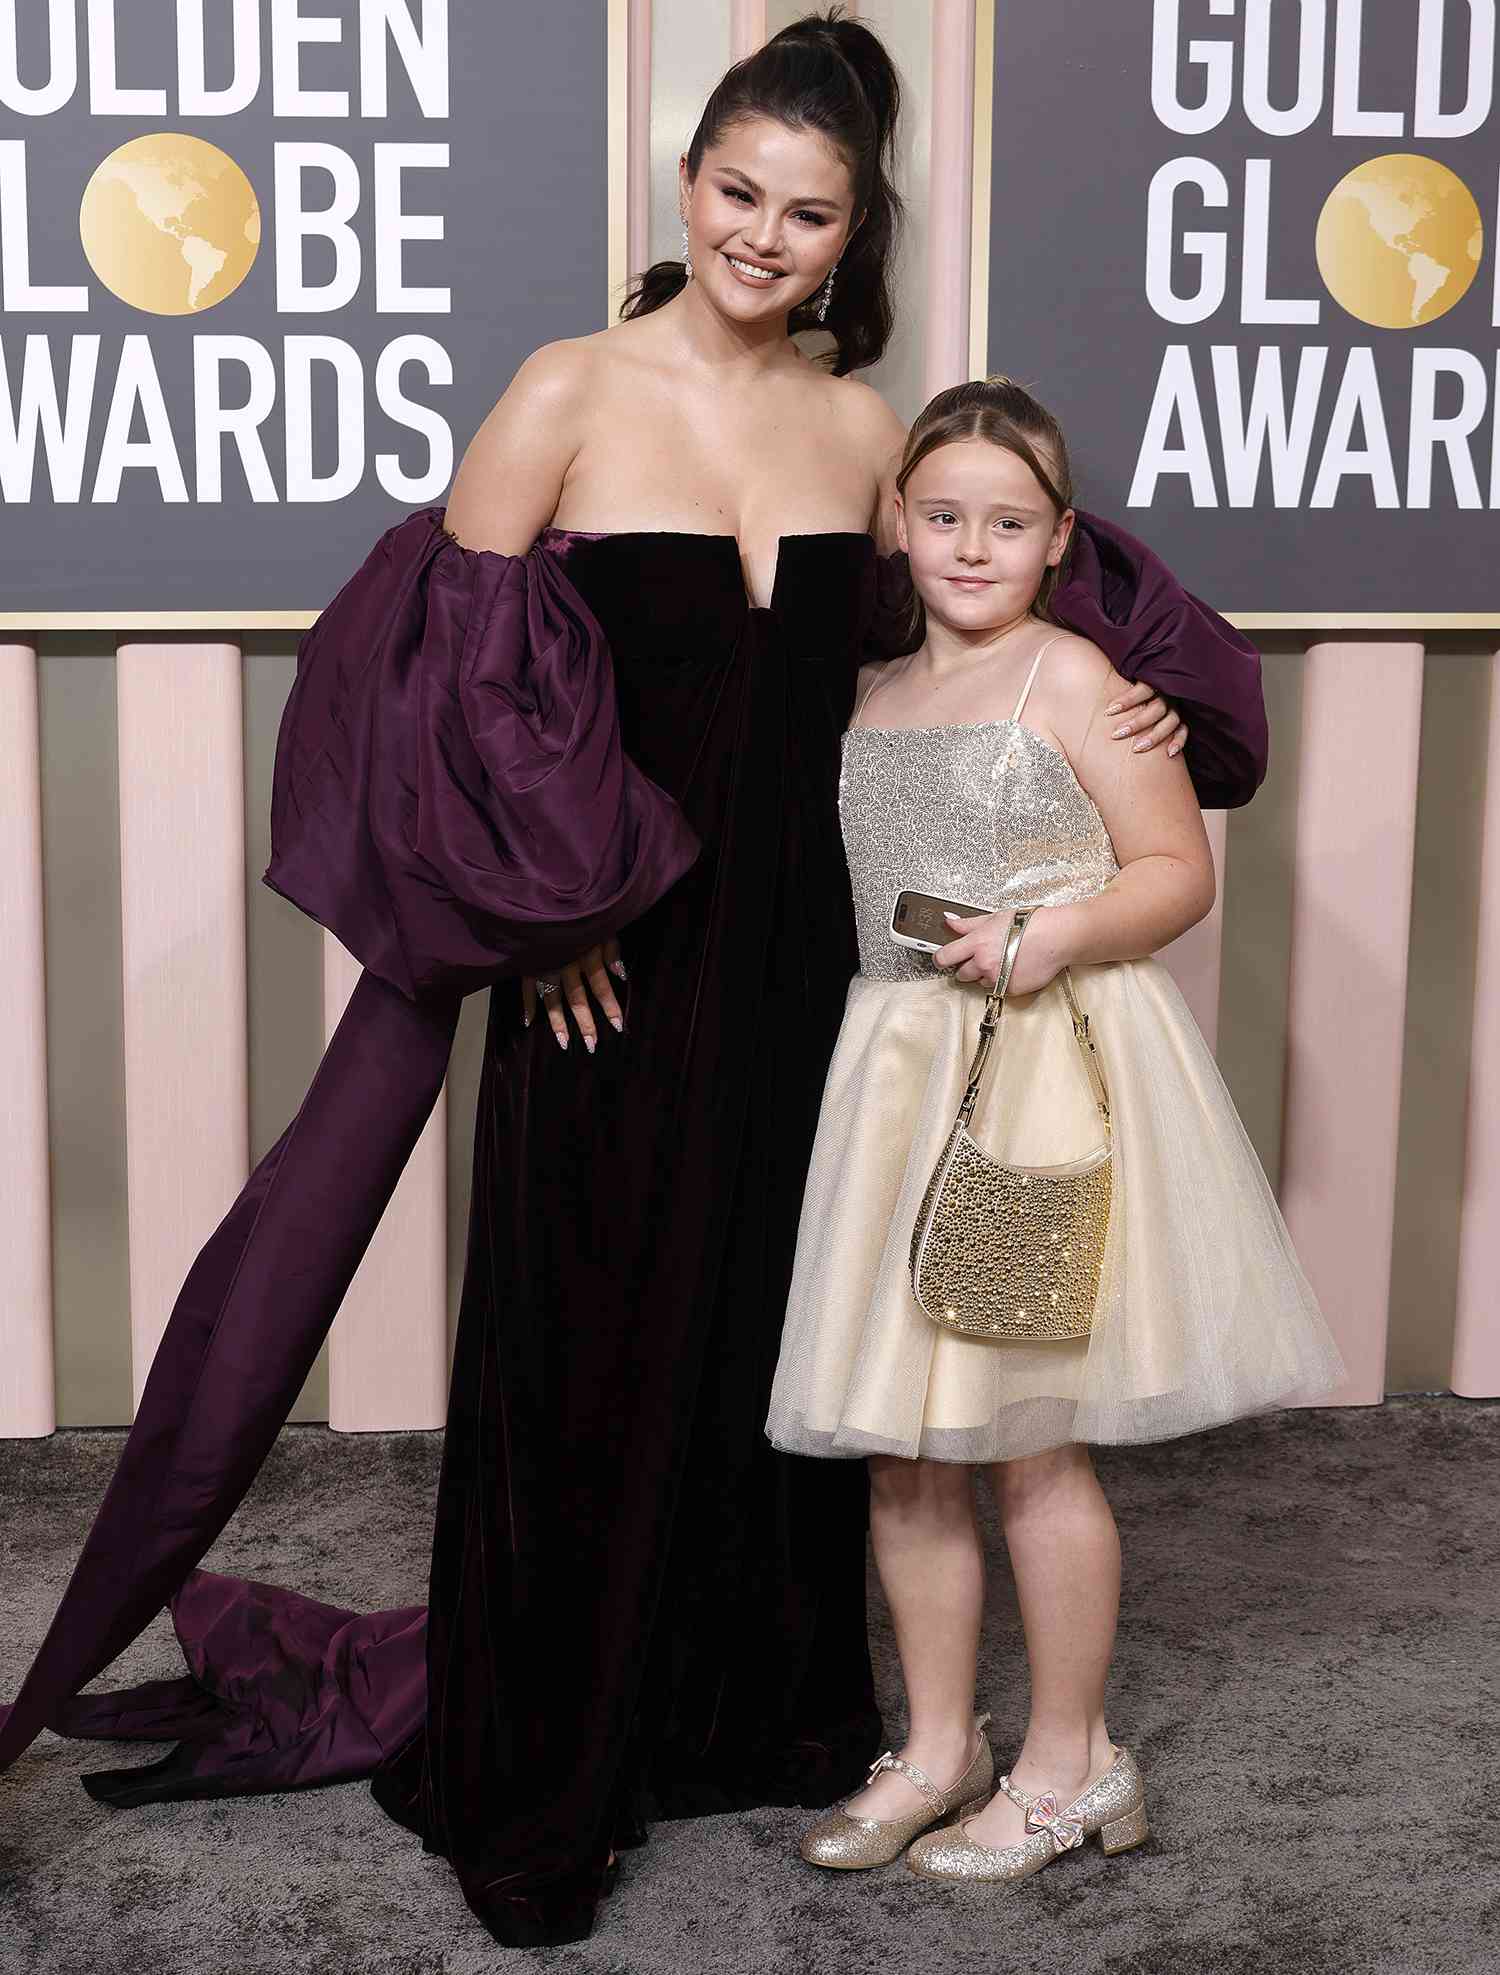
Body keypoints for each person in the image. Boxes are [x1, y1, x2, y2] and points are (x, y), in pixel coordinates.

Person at [0, 18, 1262, 1951]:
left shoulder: (869, 431)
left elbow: (1015, 591)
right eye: (738, 190)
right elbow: (442, 690)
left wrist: (1149, 685)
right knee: (588, 1343)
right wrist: (550, 918)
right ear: (687, 187)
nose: (765, 233)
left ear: (855, 234)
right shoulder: (564, 393)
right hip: (609, 966)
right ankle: (559, 1749)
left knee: (788, 1354)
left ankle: (758, 1716)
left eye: (809, 210)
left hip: (819, 983)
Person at [767, 376, 1345, 1884]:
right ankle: (942, 1745)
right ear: (897, 523)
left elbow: (1174, 871)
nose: (971, 545)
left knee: (1032, 1444)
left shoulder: (1080, 681)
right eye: (943, 515)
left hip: (1038, 1072)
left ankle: (1073, 1762)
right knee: (903, 1451)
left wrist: (1047, 934)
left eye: (1006, 523)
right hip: (898, 1069)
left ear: (1058, 538)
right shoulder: (872, 689)